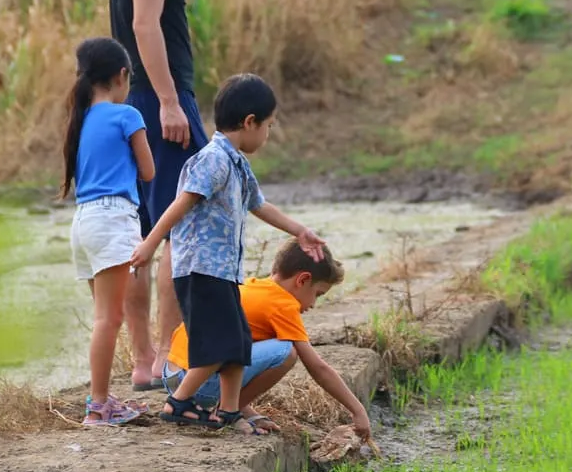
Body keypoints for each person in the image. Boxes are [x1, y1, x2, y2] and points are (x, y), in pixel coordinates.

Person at [129, 73, 328, 430]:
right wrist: (151, 243)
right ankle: (177, 402)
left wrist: (299, 230)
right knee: (220, 345)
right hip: (201, 269)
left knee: (237, 345)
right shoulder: (213, 160)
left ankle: (229, 411)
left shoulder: (238, 164)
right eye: (268, 126)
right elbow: (181, 204)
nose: (267, 135)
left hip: (224, 271)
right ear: (250, 122)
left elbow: (260, 206)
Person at [109, 0, 231, 391]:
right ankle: (164, 359)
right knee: (179, 227)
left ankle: (144, 362)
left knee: (144, 231)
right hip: (160, 102)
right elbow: (143, 24)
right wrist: (167, 100)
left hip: (141, 100)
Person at [162, 239, 372, 438]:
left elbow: (233, 357)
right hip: (199, 387)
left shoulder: (253, 285)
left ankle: (237, 408)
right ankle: (228, 412)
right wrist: (357, 410)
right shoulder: (283, 304)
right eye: (318, 294)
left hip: (172, 375)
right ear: (303, 280)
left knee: (240, 342)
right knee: (285, 352)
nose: (314, 304)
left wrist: (251, 412)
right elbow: (318, 368)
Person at [60, 37, 156, 427]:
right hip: (114, 219)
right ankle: (98, 405)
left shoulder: (80, 119)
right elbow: (149, 171)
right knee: (108, 320)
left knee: (104, 317)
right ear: (122, 76)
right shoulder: (127, 115)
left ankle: (101, 401)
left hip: (83, 223)